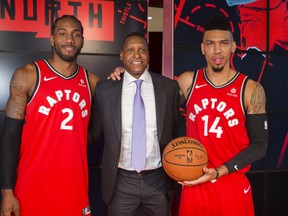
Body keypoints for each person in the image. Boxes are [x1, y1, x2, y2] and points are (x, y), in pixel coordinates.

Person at [0, 15, 100, 216]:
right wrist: (6, 192)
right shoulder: (28, 75)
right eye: (62, 34)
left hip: (75, 191)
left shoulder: (93, 83)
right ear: (52, 39)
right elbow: (11, 135)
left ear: (82, 41)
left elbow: (94, 132)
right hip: (31, 188)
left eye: (76, 35)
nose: (69, 40)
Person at [176, 15, 268, 216]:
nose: (217, 51)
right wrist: (124, 75)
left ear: (233, 46)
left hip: (232, 183)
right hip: (195, 183)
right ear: (202, 48)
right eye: (210, 44)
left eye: (223, 43)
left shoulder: (251, 89)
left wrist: (219, 171)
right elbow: (156, 103)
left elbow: (260, 145)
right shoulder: (187, 82)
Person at [91, 32, 181, 216]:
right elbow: (95, 132)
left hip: (158, 180)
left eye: (142, 50)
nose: (137, 55)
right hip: (120, 181)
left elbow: (178, 128)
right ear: (122, 55)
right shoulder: (105, 89)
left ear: (148, 55)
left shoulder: (168, 87)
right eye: (130, 50)